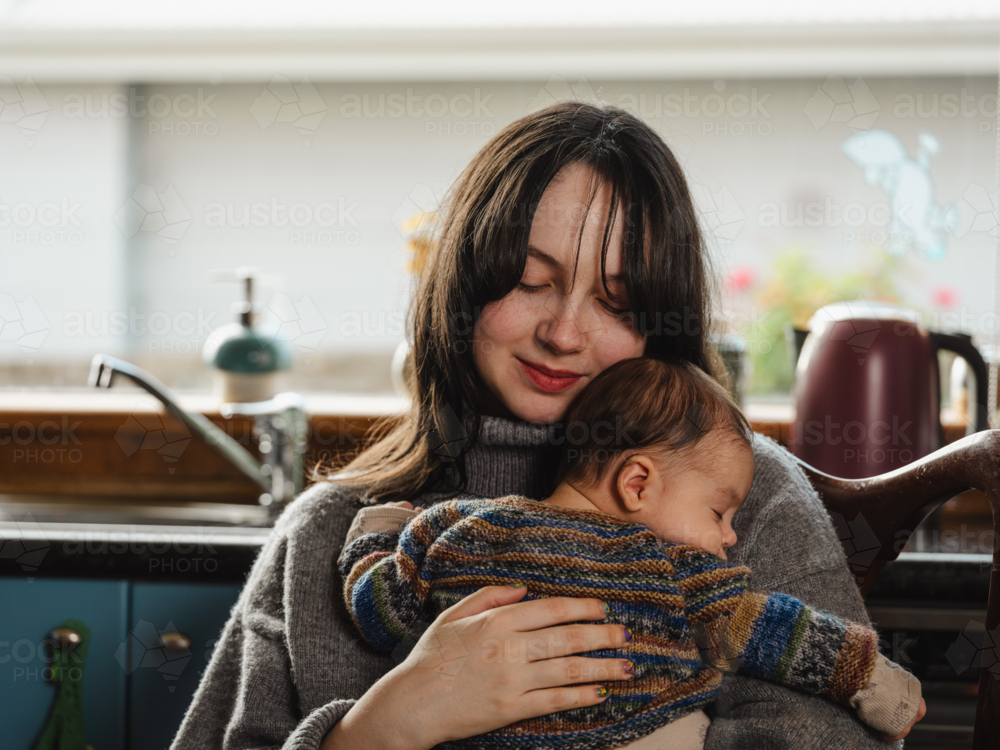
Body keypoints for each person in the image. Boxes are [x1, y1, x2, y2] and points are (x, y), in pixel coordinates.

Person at [171, 102, 910, 750]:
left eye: (618, 303)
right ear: (464, 281)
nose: (564, 333)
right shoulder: (329, 534)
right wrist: (382, 728)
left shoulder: (748, 498)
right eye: (531, 282)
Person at [338, 357, 925, 750]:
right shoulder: (669, 570)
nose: (729, 539)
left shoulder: (458, 530)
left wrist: (377, 535)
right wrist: (874, 679)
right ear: (637, 483)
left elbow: (379, 608)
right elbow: (781, 634)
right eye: (719, 514)